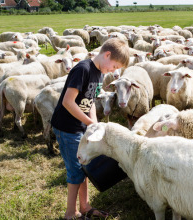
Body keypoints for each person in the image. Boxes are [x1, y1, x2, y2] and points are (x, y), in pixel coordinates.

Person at [51, 38, 129, 220]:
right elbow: (68, 102)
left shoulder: (100, 73)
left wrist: (94, 124)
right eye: (114, 66)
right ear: (107, 55)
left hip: (80, 126)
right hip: (67, 127)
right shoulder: (83, 69)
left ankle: (84, 206)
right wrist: (89, 123)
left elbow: (91, 101)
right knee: (76, 171)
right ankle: (71, 213)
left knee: (84, 164)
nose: (114, 71)